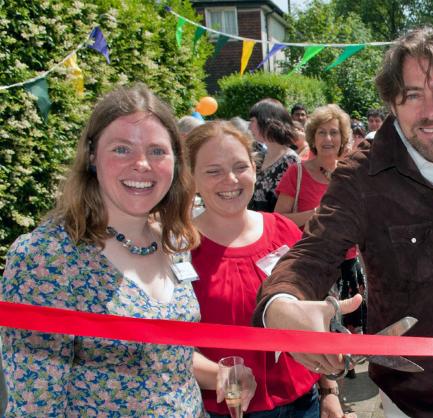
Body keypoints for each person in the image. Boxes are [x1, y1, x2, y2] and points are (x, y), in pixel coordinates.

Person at [254, 27, 433, 418]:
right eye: (412, 95)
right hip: (412, 401)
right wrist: (280, 306)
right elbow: (313, 251)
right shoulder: (362, 176)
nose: (429, 111)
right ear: (393, 103)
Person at [0, 84, 255, 416]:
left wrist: (219, 374)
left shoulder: (174, 242)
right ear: (92, 156)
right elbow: (35, 404)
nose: (142, 164)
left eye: (157, 151)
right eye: (122, 149)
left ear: (176, 162)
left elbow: (162, 351)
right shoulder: (47, 258)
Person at [184, 121, 349, 418]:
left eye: (240, 166)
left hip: (305, 403)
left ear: (254, 168)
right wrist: (215, 374)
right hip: (230, 410)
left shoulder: (284, 230)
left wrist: (330, 391)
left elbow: (313, 316)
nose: (231, 179)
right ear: (191, 178)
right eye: (213, 171)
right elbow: (165, 345)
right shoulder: (180, 250)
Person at [274, 104, 366, 342]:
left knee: (347, 331)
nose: (328, 138)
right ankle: (324, 377)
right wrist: (315, 214)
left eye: (334, 132)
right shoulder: (298, 173)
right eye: (322, 132)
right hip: (311, 264)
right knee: (317, 331)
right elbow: (278, 220)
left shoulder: (351, 173)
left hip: (347, 263)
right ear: (313, 137)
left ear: (343, 137)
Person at [248, 99, 300, 212]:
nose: (249, 127)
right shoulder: (260, 157)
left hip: (274, 227)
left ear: (265, 121)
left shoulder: (290, 161)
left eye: (252, 121)